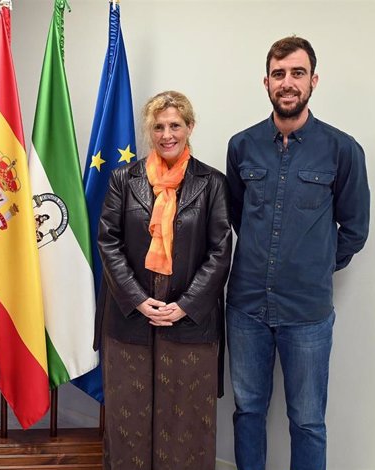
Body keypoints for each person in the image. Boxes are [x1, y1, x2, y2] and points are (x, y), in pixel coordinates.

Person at [226, 36, 370, 470]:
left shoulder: (343, 150)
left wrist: (314, 264)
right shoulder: (242, 145)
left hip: (308, 313)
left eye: (297, 73)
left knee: (307, 422)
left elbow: (356, 229)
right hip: (246, 307)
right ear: (266, 81)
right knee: (248, 412)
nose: (287, 83)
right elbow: (236, 214)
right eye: (279, 73)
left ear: (313, 80)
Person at [95, 91, 232, 470]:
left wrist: (185, 305)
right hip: (130, 315)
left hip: (190, 320)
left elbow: (220, 251)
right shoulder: (125, 179)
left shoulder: (212, 183)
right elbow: (108, 241)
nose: (166, 134)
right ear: (149, 131)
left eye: (175, 125)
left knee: (186, 416)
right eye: (158, 126)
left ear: (190, 127)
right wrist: (138, 299)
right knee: (129, 416)